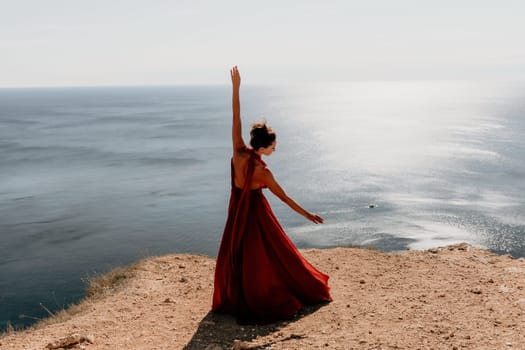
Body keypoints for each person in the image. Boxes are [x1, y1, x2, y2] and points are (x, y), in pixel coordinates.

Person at [212, 66, 332, 323]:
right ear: (263, 147)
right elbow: (285, 198)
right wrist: (308, 214)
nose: (275, 151)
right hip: (256, 217)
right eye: (273, 148)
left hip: (235, 214)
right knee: (274, 255)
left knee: (241, 254)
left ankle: (237, 294)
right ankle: (268, 293)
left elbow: (236, 117)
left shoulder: (238, 152)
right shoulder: (262, 173)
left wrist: (235, 89)